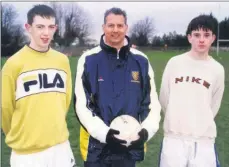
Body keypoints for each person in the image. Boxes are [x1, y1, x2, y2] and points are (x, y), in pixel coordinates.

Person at [74, 7, 161, 167]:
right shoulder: (88, 60)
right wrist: (105, 135)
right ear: (103, 27)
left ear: (126, 28)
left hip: (129, 146)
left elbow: (151, 103)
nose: (115, 30)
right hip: (97, 150)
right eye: (111, 25)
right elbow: (82, 105)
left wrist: (146, 132)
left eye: (120, 26)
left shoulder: (141, 60)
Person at [2, 4, 75, 167]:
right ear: (28, 28)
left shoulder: (62, 61)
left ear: (55, 28)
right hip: (27, 154)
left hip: (60, 147)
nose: (46, 33)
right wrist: (19, 135)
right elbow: (5, 108)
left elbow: (66, 100)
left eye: (50, 27)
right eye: (40, 27)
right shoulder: (13, 64)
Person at [159, 14, 225, 167]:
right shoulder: (174, 63)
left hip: (204, 141)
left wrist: (200, 122)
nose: (201, 39)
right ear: (189, 37)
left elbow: (215, 103)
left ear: (213, 38)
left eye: (206, 35)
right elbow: (164, 98)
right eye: (197, 35)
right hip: (173, 139)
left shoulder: (217, 69)